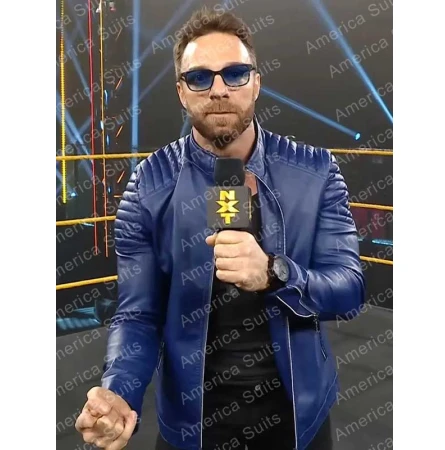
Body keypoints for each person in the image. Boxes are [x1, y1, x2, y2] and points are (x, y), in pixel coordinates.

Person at [75, 6, 365, 450]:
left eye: (234, 73)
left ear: (256, 82)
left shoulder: (316, 171)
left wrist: (274, 273)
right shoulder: (149, 184)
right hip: (192, 422)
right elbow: (138, 313)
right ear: (181, 91)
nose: (218, 90)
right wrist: (119, 392)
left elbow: (349, 291)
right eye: (199, 77)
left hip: (297, 417)